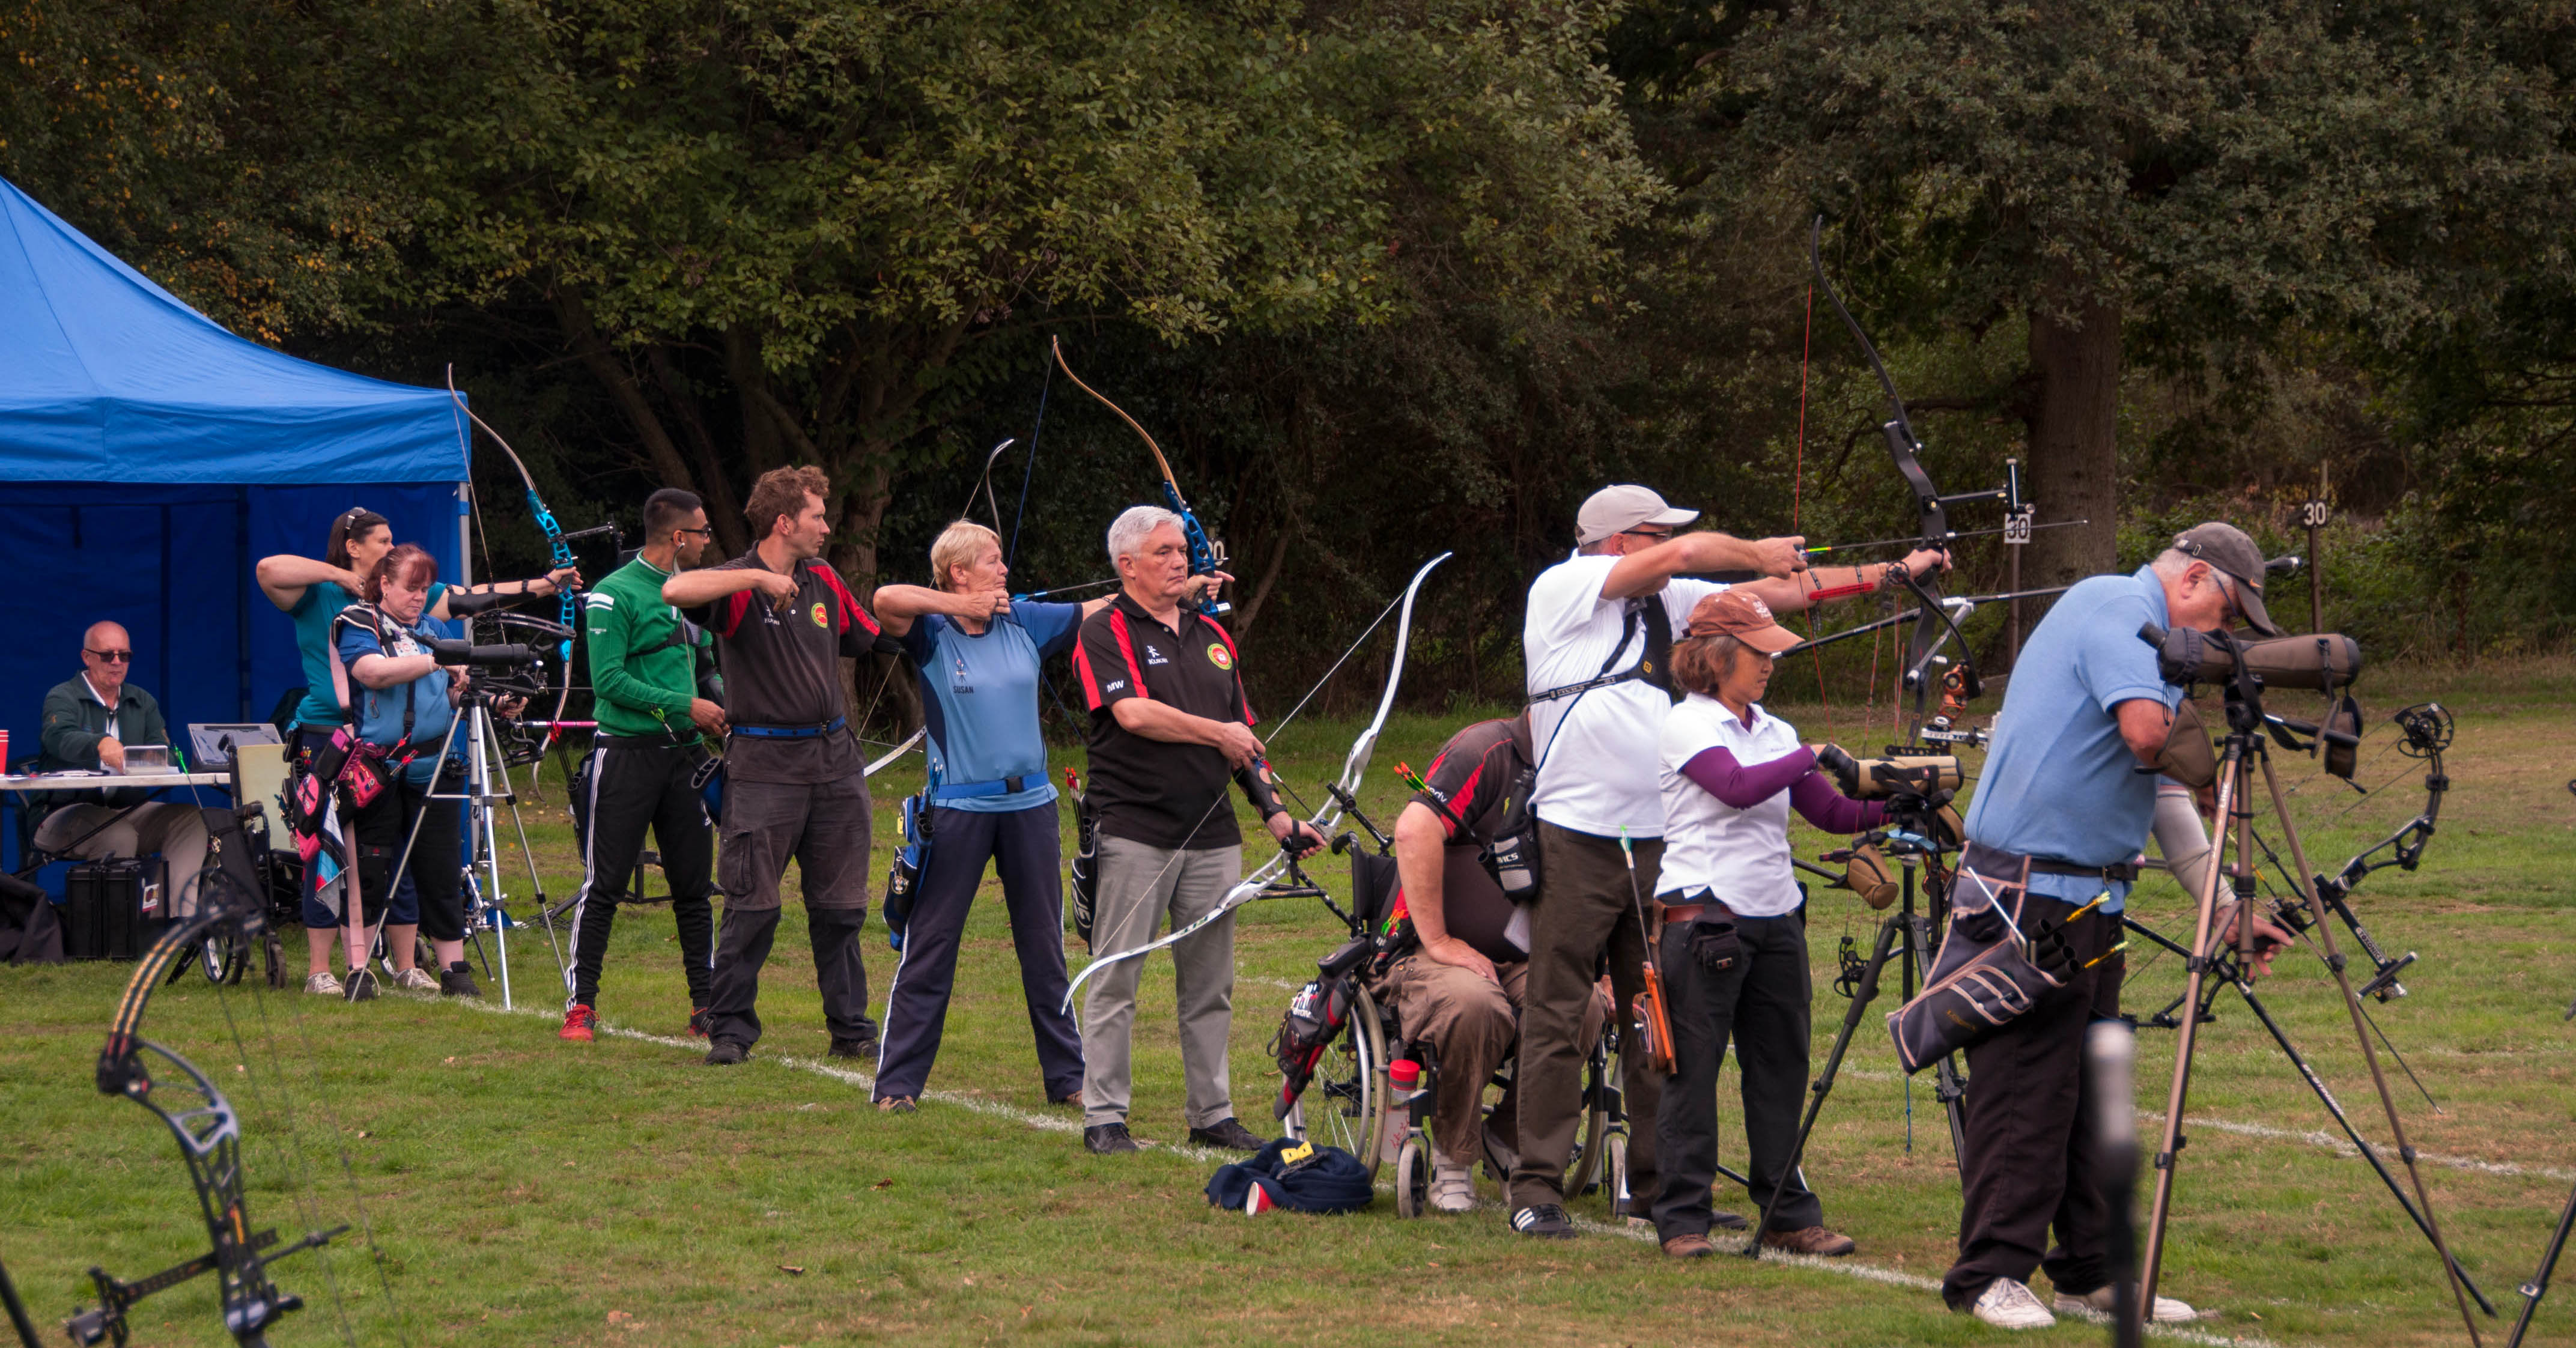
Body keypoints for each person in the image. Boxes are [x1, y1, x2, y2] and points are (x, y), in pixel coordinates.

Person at [1507, 482, 1939, 1239]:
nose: (1668, 547)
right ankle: (1535, 1185)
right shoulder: (1565, 588)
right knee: (1558, 1008)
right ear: (1618, 543)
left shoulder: (1666, 602)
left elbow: (1777, 595)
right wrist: (1754, 548)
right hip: (1579, 833)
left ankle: (1655, 1183)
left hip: (1662, 843)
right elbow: (1703, 558)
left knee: (1654, 1014)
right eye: (1654, 534)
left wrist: (1894, 573)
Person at [1940, 522, 2288, 1331]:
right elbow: (2149, 738)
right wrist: (2215, 753)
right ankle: (1988, 1274)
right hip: (2030, 893)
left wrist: (2224, 910)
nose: (2224, 638)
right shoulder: (2116, 611)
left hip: (2093, 900)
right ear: (2193, 580)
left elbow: (2159, 787)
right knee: (2026, 1084)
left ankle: (2089, 1270)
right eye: (2227, 618)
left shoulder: (2150, 641)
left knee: (2095, 1091)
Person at [1068, 505, 1323, 1155]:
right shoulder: (1107, 631)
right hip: (1134, 829)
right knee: (1117, 975)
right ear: (1127, 565)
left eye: (1182, 549)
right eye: (1163, 552)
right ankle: (1105, 1116)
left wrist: (1274, 813)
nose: (1181, 560)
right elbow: (1132, 713)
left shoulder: (1213, 636)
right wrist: (1219, 733)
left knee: (1210, 986)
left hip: (1213, 837)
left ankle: (1211, 1114)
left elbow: (1242, 740)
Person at [1650, 590, 1890, 1260]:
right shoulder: (1686, 725)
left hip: (1777, 919)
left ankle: (1788, 1213)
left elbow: (1833, 816)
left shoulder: (1776, 732)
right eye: (1760, 654)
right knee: (1691, 1075)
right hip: (1704, 921)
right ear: (1717, 656)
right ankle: (1682, 1220)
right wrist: (1813, 752)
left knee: (1781, 1072)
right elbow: (1733, 786)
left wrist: (1900, 808)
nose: (1770, 666)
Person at [257, 508, 576, 988]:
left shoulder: (418, 608)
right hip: (335, 736)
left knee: (399, 858)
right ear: (353, 546)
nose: (390, 547)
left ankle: (406, 965)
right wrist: (346, 577)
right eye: (382, 541)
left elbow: (470, 602)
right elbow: (268, 570)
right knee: (329, 852)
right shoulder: (327, 598)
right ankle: (324, 970)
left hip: (404, 751)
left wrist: (545, 586)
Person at [865, 521, 1113, 1112]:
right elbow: (883, 601)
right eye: (992, 561)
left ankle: (1069, 1080)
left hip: (1030, 806)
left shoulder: (1022, 621)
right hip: (959, 809)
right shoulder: (930, 633)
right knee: (931, 944)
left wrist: (1176, 587)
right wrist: (960, 605)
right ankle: (897, 1086)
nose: (1004, 570)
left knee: (1043, 947)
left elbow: (1100, 607)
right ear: (958, 572)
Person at [661, 466, 883, 1067]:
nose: (826, 527)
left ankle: (851, 1028)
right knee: (752, 905)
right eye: (817, 517)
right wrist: (758, 579)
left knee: (840, 909)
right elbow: (673, 592)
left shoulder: (824, 578)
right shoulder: (734, 581)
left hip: (834, 763)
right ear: (785, 522)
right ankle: (730, 1030)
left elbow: (869, 636)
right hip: (762, 767)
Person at [1379, 711, 1609, 1212]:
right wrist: (1438, 939)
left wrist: (1608, 969)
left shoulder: (1589, 761)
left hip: (1525, 956)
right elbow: (1415, 829)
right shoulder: (1485, 751)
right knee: (1474, 1003)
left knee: (1582, 1003)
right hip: (1429, 956)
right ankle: (1452, 1157)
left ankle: (1506, 1138)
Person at [559, 488, 728, 1043]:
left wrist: (729, 708)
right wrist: (684, 707)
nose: (709, 542)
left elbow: (705, 671)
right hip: (626, 758)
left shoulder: (696, 597)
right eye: (703, 533)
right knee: (604, 884)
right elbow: (607, 682)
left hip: (686, 762)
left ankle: (706, 1007)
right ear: (679, 538)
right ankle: (581, 1006)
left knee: (694, 888)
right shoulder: (612, 595)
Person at [333, 545, 481, 1000]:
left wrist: (487, 698)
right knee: (371, 868)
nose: (419, 598)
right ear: (384, 585)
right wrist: (437, 660)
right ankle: (360, 968)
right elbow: (372, 673)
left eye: (424, 590)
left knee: (439, 867)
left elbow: (451, 696)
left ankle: (453, 967)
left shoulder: (435, 629)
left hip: (435, 764)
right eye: (411, 589)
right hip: (378, 766)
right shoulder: (356, 622)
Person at [31, 622, 210, 911]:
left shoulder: (142, 701)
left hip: (125, 809)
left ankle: (177, 922)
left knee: (192, 819)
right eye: (107, 655)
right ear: (86, 657)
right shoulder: (62, 696)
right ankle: (116, 933)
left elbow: (163, 752)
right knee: (119, 834)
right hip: (60, 812)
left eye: (124, 656)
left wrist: (155, 760)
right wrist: (99, 744)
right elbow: (57, 738)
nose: (117, 662)